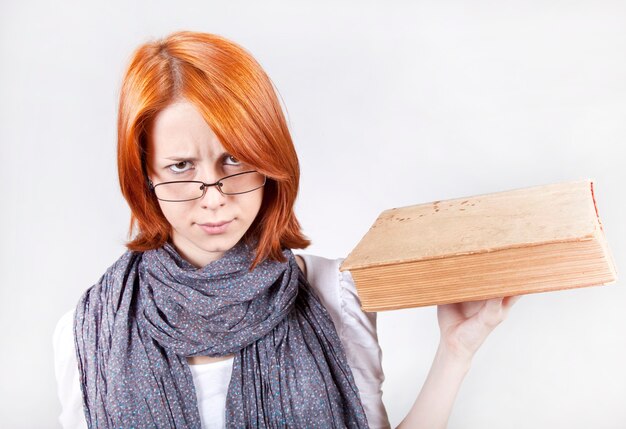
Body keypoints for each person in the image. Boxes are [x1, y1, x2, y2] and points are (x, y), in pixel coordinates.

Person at [53, 30, 520, 429]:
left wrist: (455, 353)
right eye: (180, 166)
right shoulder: (89, 330)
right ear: (145, 173)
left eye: (234, 159)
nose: (213, 197)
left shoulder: (334, 293)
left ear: (268, 161)